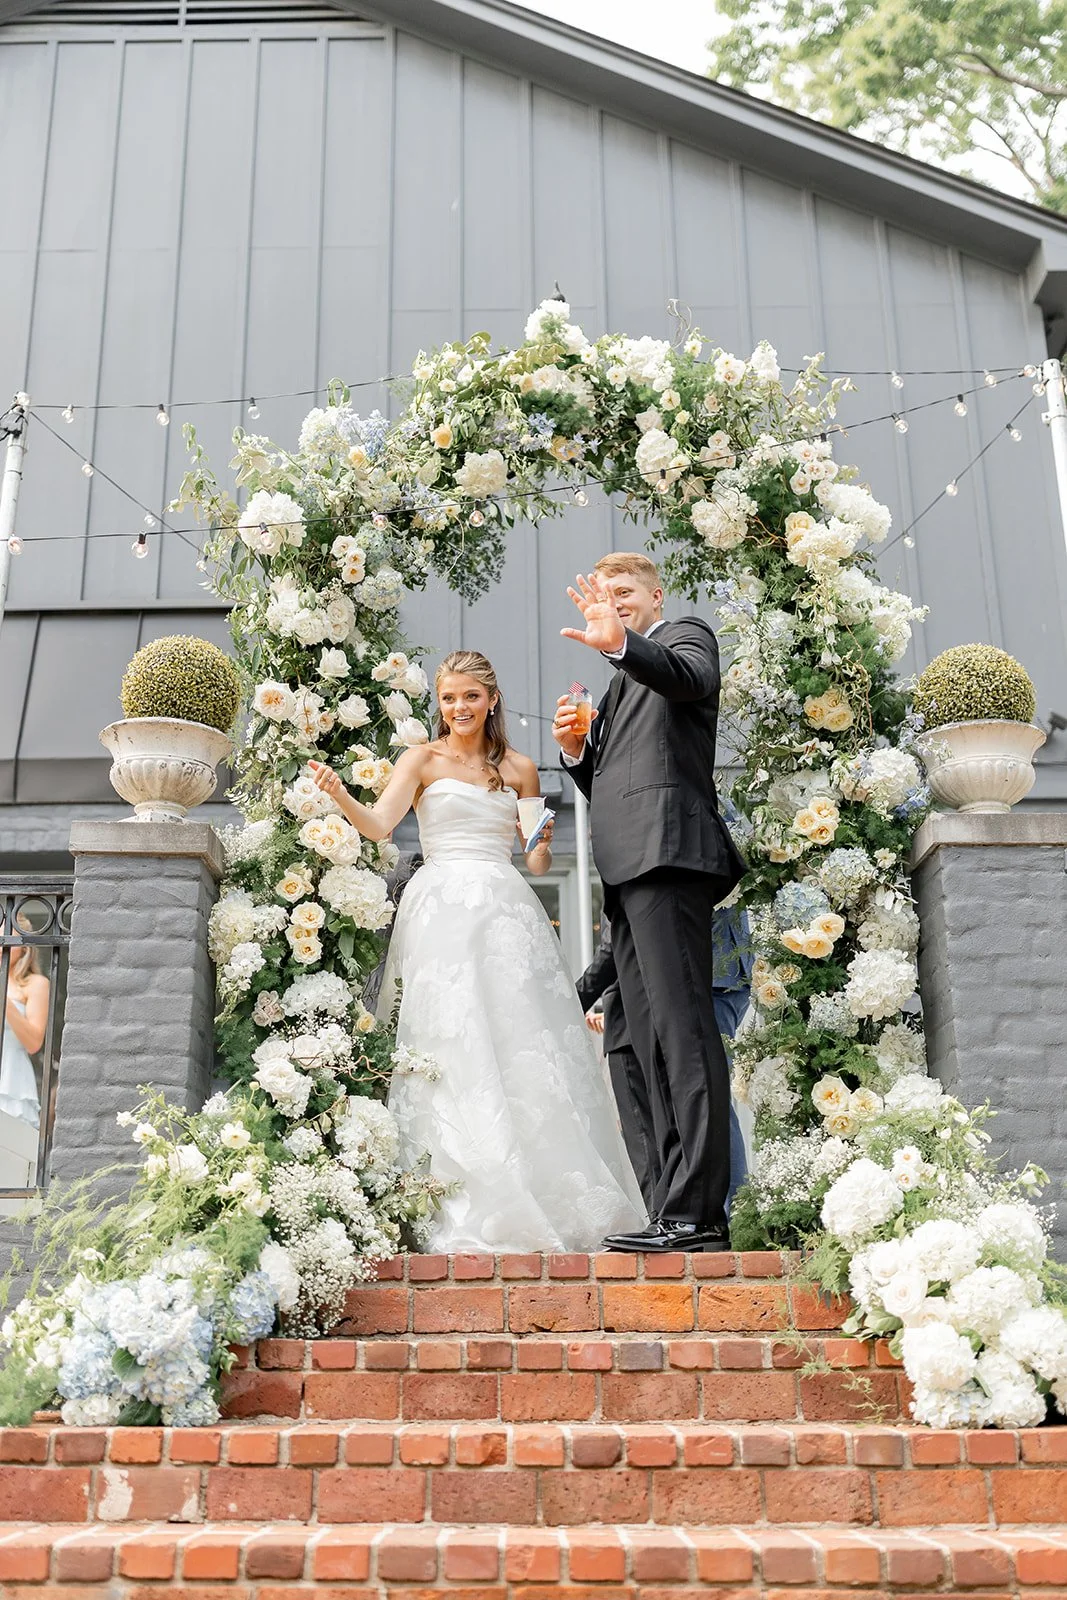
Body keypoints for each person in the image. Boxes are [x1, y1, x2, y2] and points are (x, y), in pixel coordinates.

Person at [310, 649, 645, 1253]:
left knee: (519, 1038)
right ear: (437, 704)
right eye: (448, 698)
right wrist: (338, 793)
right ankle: (455, 1196)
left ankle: (539, 1186)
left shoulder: (519, 768)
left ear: (491, 699)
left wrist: (540, 838)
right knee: (448, 1034)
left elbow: (537, 860)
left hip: (504, 908)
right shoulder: (420, 759)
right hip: (440, 908)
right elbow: (381, 826)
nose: (458, 708)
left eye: (470, 696)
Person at [554, 556, 746, 1254]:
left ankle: (699, 1213)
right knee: (630, 1043)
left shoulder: (685, 637)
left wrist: (617, 643)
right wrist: (579, 755)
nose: (613, 604)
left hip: (671, 859)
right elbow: (618, 790)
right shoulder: (613, 690)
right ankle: (667, 1205)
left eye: (624, 594)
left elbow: (687, 677)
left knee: (681, 1031)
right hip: (627, 874)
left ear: (655, 595)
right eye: (602, 597)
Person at [577, 895, 752, 1217]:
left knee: (705, 1102)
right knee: (698, 1103)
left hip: (704, 973)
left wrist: (574, 998)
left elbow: (620, 934)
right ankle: (716, 1216)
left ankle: (733, 1216)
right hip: (709, 973)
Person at [0, 939, 49, 1129]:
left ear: (24, 948)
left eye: (6, 940)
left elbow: (33, 1043)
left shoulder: (35, 984)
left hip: (11, 1078)